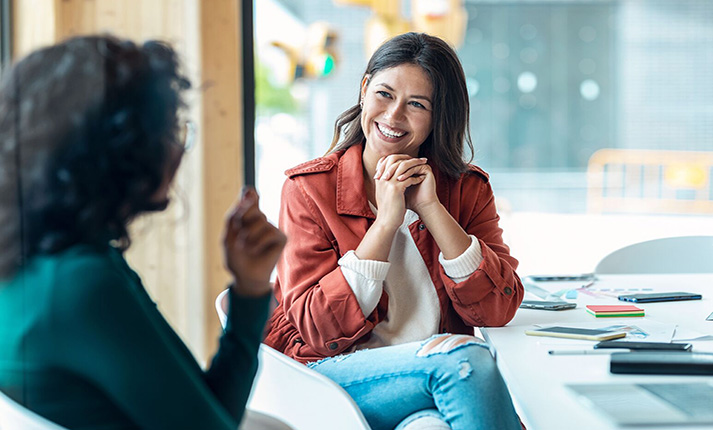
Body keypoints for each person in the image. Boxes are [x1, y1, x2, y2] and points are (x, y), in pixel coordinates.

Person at [0, 36, 286, 429]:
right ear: (124, 150)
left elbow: (209, 411)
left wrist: (250, 288)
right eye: (171, 130)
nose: (179, 149)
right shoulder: (82, 286)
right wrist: (250, 299)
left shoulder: (42, 261)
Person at [264, 32, 524, 430]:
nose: (394, 116)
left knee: (429, 426)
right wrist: (386, 222)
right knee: (467, 360)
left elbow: (496, 309)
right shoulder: (308, 190)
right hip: (335, 378)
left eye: (417, 104)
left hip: (430, 385)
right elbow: (317, 331)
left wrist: (431, 209)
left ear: (439, 116)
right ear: (365, 89)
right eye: (384, 94)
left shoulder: (466, 190)